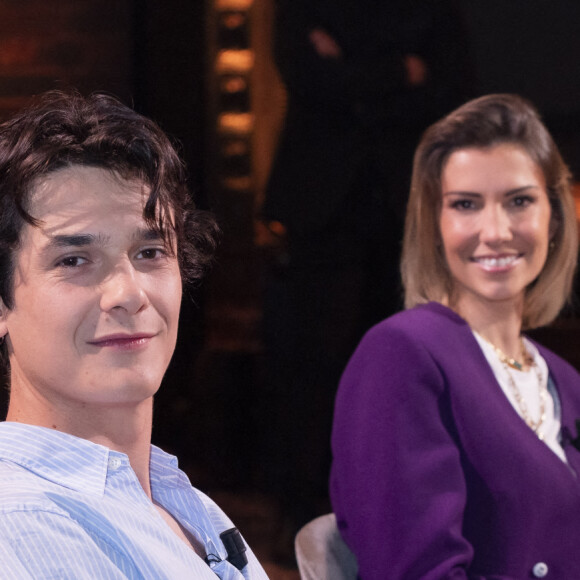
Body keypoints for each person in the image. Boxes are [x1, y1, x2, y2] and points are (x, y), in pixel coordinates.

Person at [0, 90, 269, 580]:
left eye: (150, 253)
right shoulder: (22, 527)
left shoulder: (183, 503)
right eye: (74, 260)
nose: (127, 292)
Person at [330, 94, 580, 579]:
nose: (495, 231)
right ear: (434, 223)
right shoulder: (401, 355)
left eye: (519, 201)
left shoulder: (567, 382)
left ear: (555, 215)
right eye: (466, 205)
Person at [260, 0, 472, 547]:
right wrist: (398, 72)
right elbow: (305, 75)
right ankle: (301, 510)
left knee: (404, 368)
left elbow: (451, 87)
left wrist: (350, 75)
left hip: (406, 204)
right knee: (312, 362)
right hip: (323, 204)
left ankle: (391, 511)